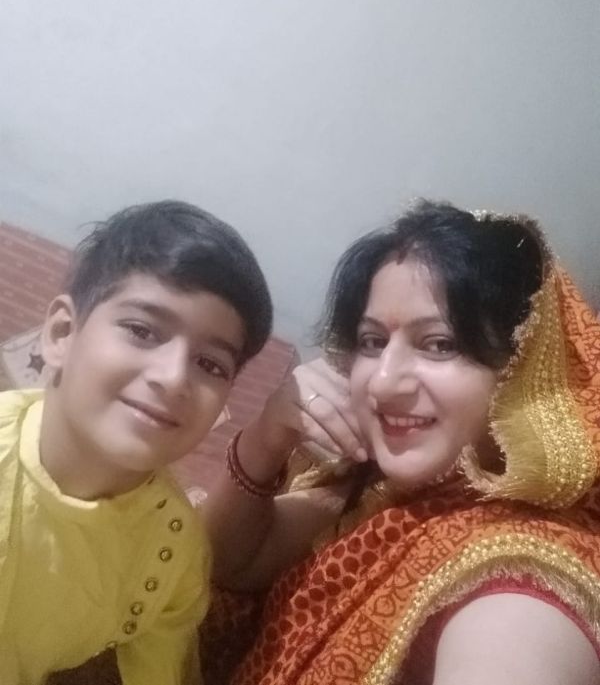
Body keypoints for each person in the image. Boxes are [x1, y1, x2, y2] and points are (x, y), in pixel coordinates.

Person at [203, 200, 600, 685]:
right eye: (372, 341)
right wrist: (266, 437)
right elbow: (230, 563)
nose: (384, 382)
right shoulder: (383, 493)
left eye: (439, 344)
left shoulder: (527, 576)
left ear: (525, 371)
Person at [0, 200, 272, 685]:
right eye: (142, 331)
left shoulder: (174, 552)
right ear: (62, 333)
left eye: (210, 364)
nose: (173, 378)